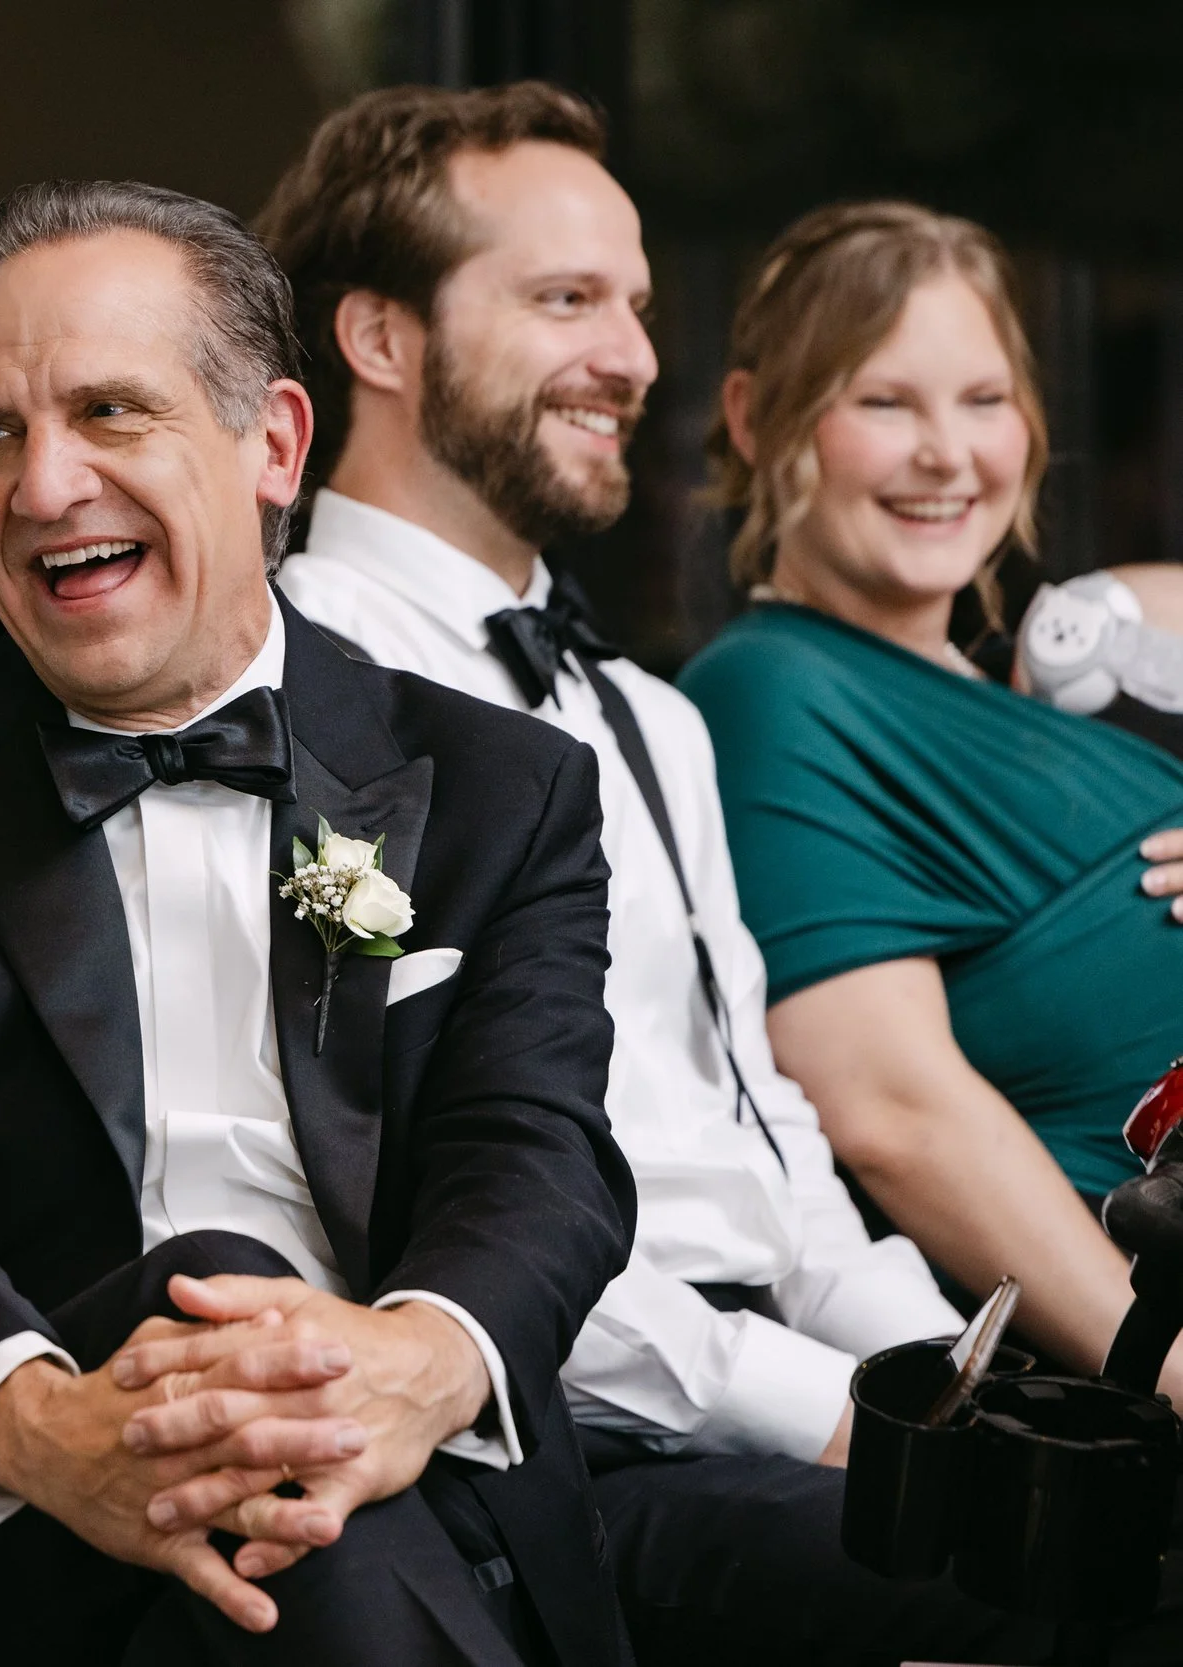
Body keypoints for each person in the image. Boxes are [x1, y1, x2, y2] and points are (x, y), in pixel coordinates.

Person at [0, 179, 635, 1667]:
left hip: (387, 1465)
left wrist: (408, 1363)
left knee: (310, 1522)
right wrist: (40, 1423)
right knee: (273, 1448)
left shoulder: (499, 787)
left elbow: (539, 1157)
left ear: (273, 443)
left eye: (108, 412)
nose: (42, 487)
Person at [260, 84, 1050, 1666]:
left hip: (786, 1398)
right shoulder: (300, 691)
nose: (632, 356)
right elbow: (430, 1207)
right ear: (381, 341)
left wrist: (935, 1378)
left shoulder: (651, 715)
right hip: (558, 1441)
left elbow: (772, 1142)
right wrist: (821, 1410)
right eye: (565, 300)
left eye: (631, 302)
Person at [679, 203, 1183, 1409]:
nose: (947, 454)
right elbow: (893, 1112)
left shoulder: (1052, 673)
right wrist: (1159, 1364)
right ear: (757, 421)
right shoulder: (766, 692)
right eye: (884, 402)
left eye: (983, 400)